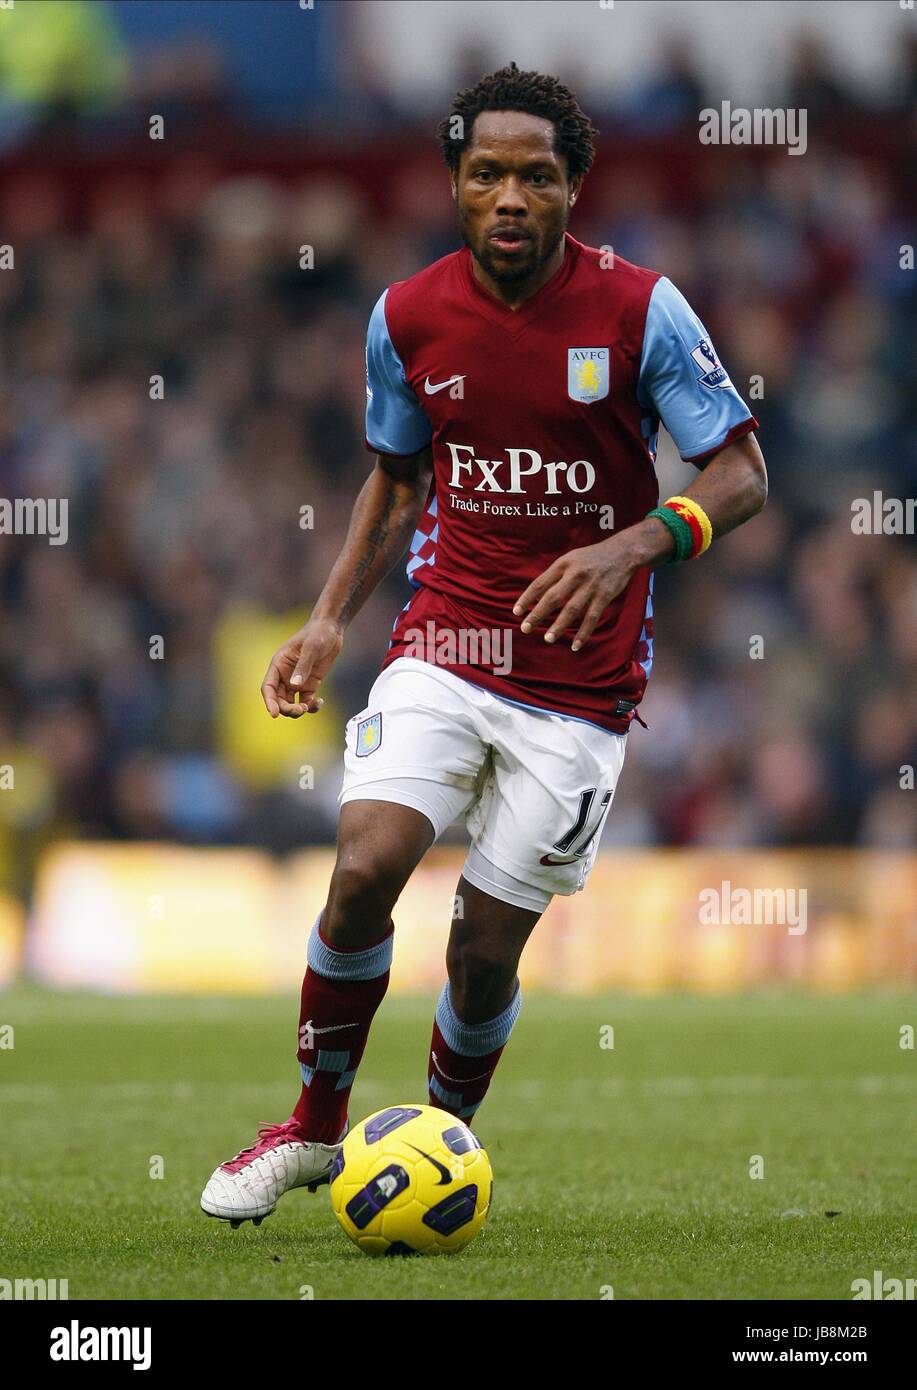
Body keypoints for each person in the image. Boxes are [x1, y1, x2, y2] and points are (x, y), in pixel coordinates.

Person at [201, 63, 766, 1227]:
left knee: (480, 957)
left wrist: (633, 545)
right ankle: (311, 1128)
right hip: (445, 639)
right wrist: (325, 618)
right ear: (454, 185)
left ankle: (440, 1138)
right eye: (487, 174)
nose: (510, 196)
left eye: (536, 176)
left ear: (574, 189)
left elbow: (743, 473)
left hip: (581, 688)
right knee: (361, 871)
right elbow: (396, 479)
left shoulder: (638, 310)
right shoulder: (406, 316)